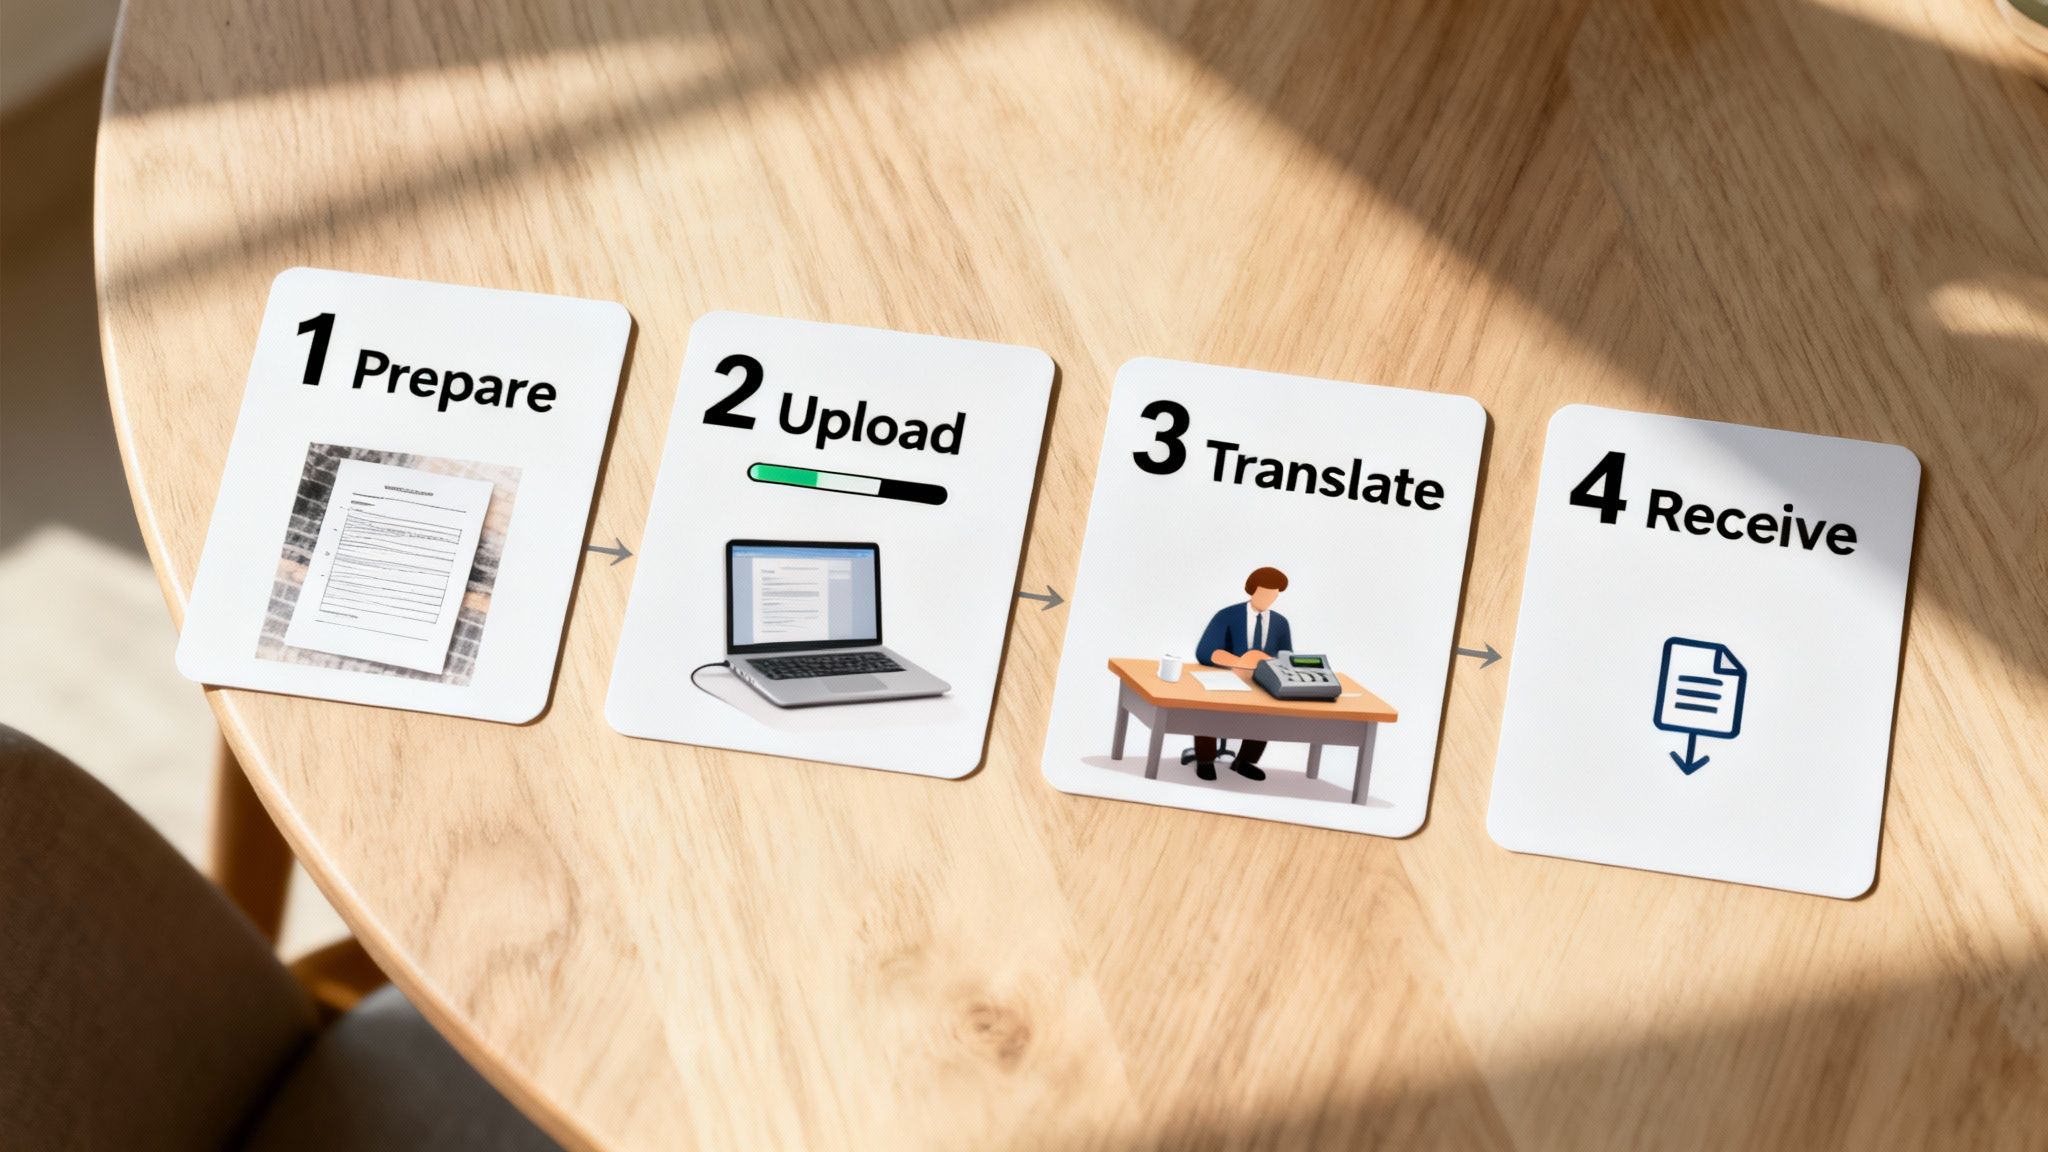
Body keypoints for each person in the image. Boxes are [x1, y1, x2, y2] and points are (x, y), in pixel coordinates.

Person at [1191, 566, 1294, 782]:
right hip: (1226, 678)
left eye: (1273, 594)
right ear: (1251, 590)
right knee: (1207, 707)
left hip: (1261, 681)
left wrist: (1263, 663)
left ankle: (1244, 762)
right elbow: (1205, 651)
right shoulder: (1227, 615)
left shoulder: (1280, 623)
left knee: (1268, 711)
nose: (1268, 598)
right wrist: (1240, 662)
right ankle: (1205, 760)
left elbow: (1286, 657)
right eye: (1264, 592)